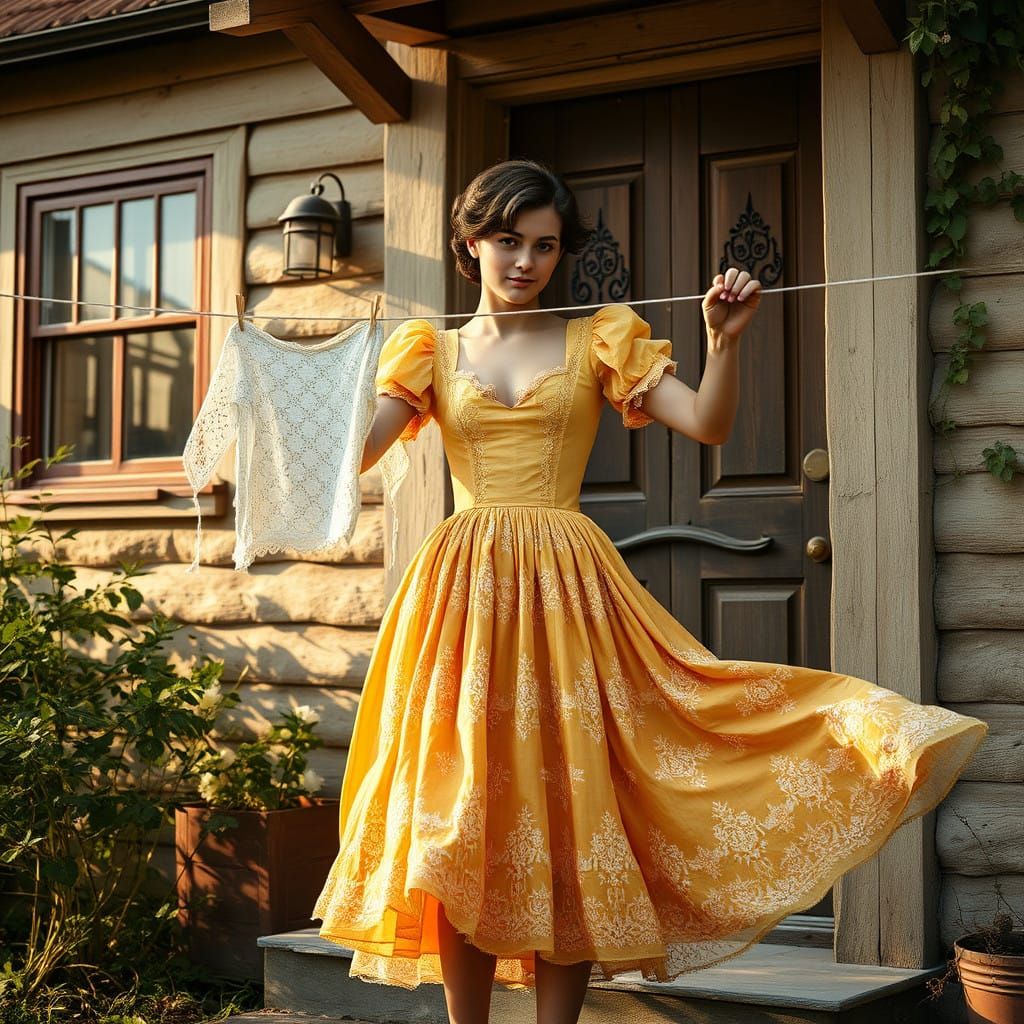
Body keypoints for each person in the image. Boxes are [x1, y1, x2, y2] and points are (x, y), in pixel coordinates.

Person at [311, 159, 988, 1024]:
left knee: (571, 810)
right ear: (469, 242)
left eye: (546, 246)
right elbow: (352, 458)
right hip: (463, 601)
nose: (526, 261)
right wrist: (310, 371)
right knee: (462, 818)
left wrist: (727, 341)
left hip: (568, 594)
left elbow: (706, 423)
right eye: (508, 241)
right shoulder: (425, 351)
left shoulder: (599, 337)